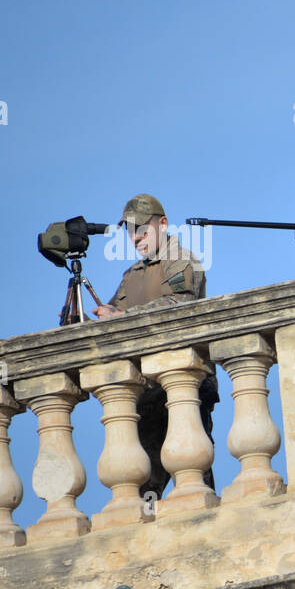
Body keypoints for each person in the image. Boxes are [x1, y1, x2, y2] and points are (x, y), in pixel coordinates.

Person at [93, 193, 218, 501]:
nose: (135, 237)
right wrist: (93, 319)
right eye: (130, 231)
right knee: (144, 484)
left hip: (183, 382)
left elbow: (179, 304)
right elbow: (112, 315)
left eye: (141, 229)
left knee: (194, 474)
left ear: (162, 225)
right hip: (146, 390)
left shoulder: (181, 259)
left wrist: (124, 316)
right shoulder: (132, 276)